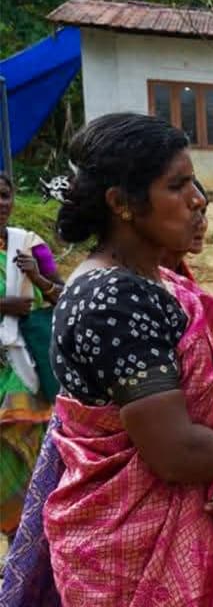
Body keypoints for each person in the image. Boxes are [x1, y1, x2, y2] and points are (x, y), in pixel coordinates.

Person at [41, 113, 213, 605]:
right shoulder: (111, 300)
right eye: (177, 185)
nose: (198, 199)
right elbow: (175, 452)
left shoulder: (160, 284)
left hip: (186, 521)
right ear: (121, 203)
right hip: (126, 557)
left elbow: (199, 428)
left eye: (194, 182)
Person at [0, 173, 64, 540]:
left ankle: (38, 539)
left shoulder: (28, 245)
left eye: (4, 195)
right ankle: (18, 538)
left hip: (28, 368)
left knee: (35, 449)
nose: (0, 203)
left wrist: (38, 279)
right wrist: (4, 305)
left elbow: (64, 297)